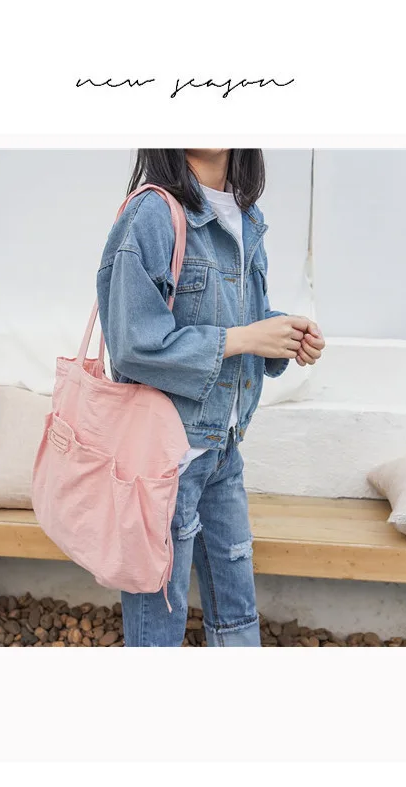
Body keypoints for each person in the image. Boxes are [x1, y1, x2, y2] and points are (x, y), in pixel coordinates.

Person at [96, 148, 325, 647]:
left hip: (223, 447)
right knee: (159, 622)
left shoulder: (245, 215)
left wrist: (284, 334)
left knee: (237, 609)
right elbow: (133, 343)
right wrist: (244, 338)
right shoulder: (152, 214)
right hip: (166, 459)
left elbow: (243, 318)